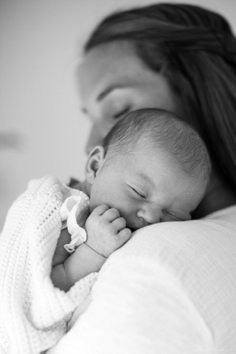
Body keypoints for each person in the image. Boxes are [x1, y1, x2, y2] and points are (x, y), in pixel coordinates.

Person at [48, 3, 236, 354]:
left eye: (118, 110)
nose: (90, 144)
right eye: (88, 116)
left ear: (195, 90)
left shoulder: (151, 260)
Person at [51, 108, 210, 291]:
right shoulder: (63, 214)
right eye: (139, 192)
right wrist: (93, 250)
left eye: (172, 213)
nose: (151, 217)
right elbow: (45, 289)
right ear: (95, 167)